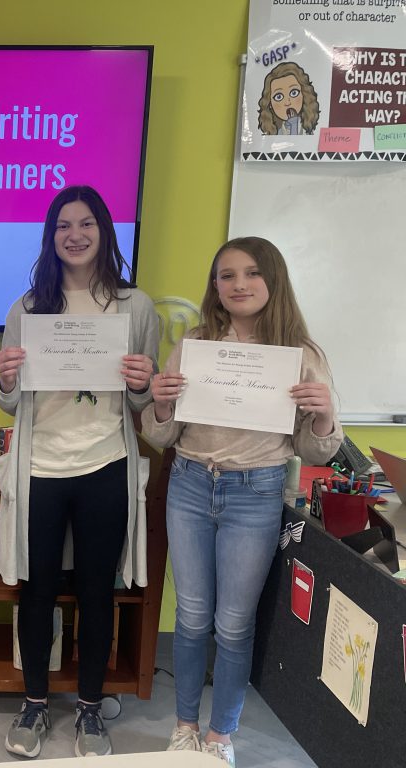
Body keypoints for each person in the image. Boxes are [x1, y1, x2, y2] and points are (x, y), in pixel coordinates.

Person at [143, 236, 342, 766]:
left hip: (255, 492)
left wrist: (323, 416)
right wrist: (161, 406)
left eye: (251, 274)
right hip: (188, 485)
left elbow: (312, 446)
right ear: (215, 287)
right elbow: (162, 436)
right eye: (226, 276)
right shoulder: (196, 343)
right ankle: (184, 726)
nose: (238, 285)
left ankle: (220, 735)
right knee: (191, 617)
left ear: (272, 280)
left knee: (233, 623)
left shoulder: (301, 354)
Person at [0, 185, 159, 758]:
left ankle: (91, 708)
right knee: (36, 590)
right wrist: (8, 377)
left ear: (104, 231)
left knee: (96, 591)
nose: (75, 234)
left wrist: (141, 383)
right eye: (64, 225)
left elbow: (141, 406)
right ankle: (34, 702)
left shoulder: (136, 308)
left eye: (86, 223)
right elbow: (9, 403)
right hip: (40, 468)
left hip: (105, 465)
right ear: (51, 236)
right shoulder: (27, 308)